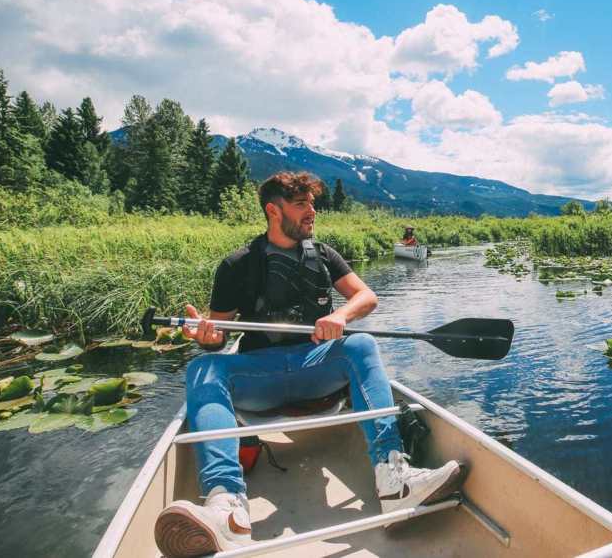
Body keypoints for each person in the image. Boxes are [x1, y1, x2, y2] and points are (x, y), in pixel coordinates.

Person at [154, 171, 464, 558]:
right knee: (203, 369)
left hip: (314, 368)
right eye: (301, 204)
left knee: (361, 345)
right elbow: (217, 333)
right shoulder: (237, 265)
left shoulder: (325, 255)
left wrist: (342, 317)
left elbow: (366, 297)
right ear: (273, 210)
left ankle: (394, 479)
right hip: (259, 373)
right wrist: (205, 335)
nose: (312, 212)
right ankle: (226, 506)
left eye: (312, 204)